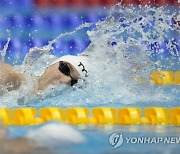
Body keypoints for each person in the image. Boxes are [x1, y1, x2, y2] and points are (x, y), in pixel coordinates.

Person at [0, 55, 89, 94]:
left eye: (74, 82)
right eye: (65, 69)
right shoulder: (13, 78)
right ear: (50, 65)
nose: (66, 80)